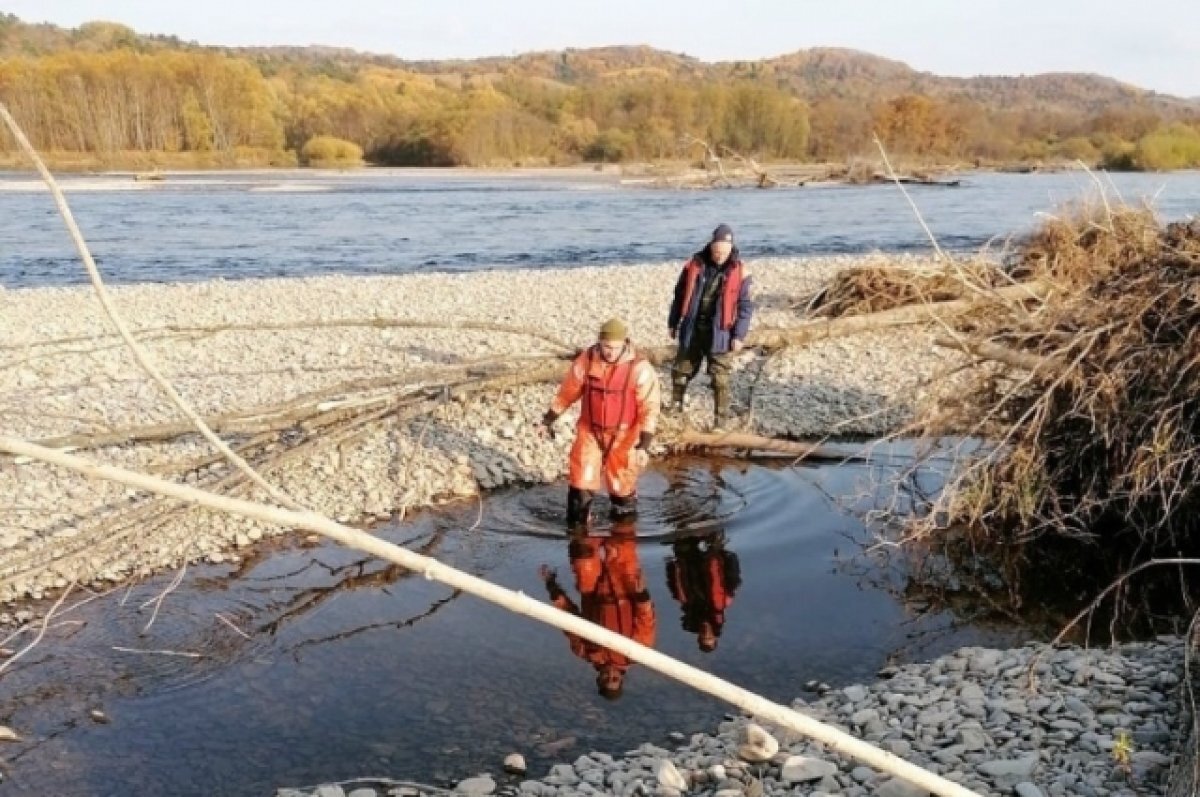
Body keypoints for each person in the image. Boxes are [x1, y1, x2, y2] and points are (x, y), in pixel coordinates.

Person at [541, 318, 661, 528]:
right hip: (590, 432)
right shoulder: (586, 361)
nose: (610, 353)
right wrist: (548, 420)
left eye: (615, 348)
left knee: (622, 494)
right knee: (580, 486)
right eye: (606, 347)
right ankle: (579, 543)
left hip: (624, 437)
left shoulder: (640, 368)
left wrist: (644, 445)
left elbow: (649, 407)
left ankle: (622, 537)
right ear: (599, 342)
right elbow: (568, 392)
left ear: (625, 343)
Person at [540, 517, 656, 700]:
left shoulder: (584, 651)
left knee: (582, 548)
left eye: (606, 679)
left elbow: (569, 619)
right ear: (622, 677)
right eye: (615, 678)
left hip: (592, 590)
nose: (610, 674)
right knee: (623, 535)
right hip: (625, 589)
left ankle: (585, 516)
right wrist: (642, 595)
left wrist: (552, 587)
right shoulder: (636, 653)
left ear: (598, 679)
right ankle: (622, 504)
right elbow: (646, 618)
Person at [666, 223, 755, 431]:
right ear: (711, 246)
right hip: (693, 328)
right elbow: (679, 296)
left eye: (723, 252)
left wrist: (739, 336)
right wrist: (673, 322)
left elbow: (745, 308)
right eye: (716, 251)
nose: (719, 256)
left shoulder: (741, 272)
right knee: (680, 371)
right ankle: (675, 409)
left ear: (731, 249)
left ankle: (720, 421)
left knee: (720, 378)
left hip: (721, 332)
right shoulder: (693, 266)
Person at [665, 531, 741, 652]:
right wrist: (729, 556)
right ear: (714, 636)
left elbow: (673, 583)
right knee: (706, 526)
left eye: (703, 637)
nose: (705, 633)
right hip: (712, 553)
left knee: (681, 529)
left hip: (688, 558)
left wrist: (670, 565)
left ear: (698, 637)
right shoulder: (724, 601)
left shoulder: (687, 605)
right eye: (709, 636)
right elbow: (733, 577)